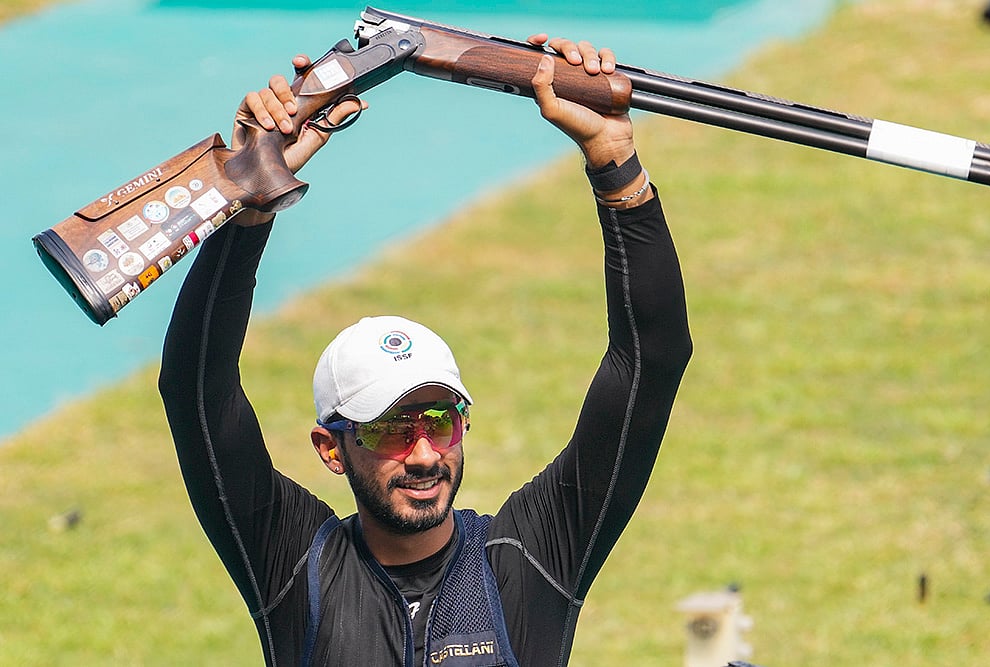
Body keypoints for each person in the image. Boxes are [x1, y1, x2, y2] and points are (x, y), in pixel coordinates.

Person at [159, 34, 692, 667]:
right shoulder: (292, 560)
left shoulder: (531, 556)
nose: (422, 455)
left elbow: (651, 360)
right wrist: (246, 201)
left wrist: (615, 163)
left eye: (440, 422)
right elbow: (196, 388)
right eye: (390, 428)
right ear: (331, 448)